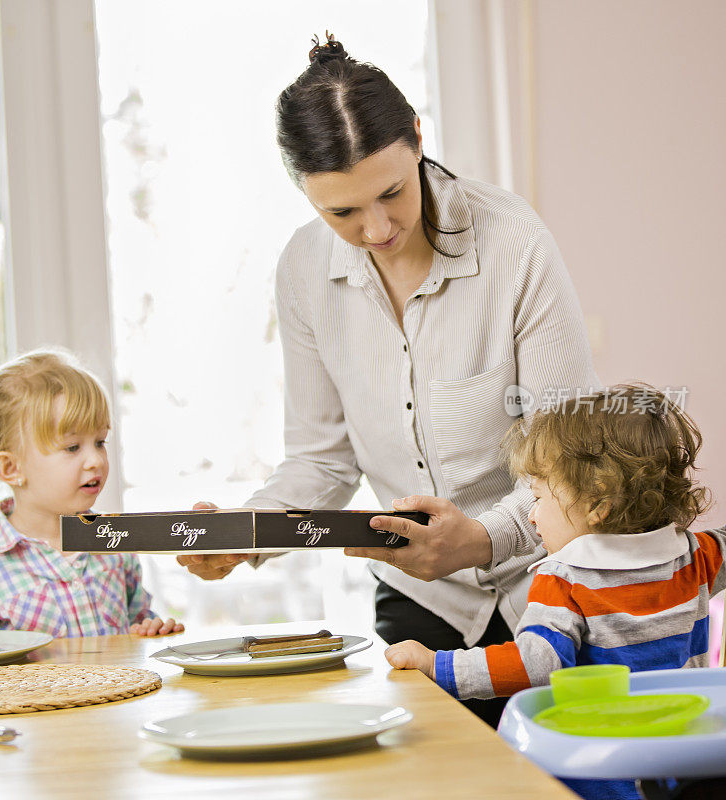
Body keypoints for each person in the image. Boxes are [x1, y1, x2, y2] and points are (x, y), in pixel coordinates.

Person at [177, 34, 598, 727]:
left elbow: (575, 462)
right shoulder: (305, 271)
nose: (376, 228)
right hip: (421, 602)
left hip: (548, 590)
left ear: (418, 140)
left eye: (392, 193)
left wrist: (484, 539)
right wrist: (249, 532)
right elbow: (322, 459)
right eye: (341, 213)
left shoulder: (514, 243)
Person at [386, 385, 721, 800]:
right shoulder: (694, 556)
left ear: (598, 505)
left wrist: (439, 667)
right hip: (684, 762)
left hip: (600, 773)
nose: (530, 514)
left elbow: (534, 664)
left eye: (540, 496)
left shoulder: (565, 578)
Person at [0, 349, 184, 638]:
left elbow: (137, 627)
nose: (96, 460)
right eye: (72, 447)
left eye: (99, 442)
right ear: (11, 468)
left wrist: (152, 629)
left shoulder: (115, 546)